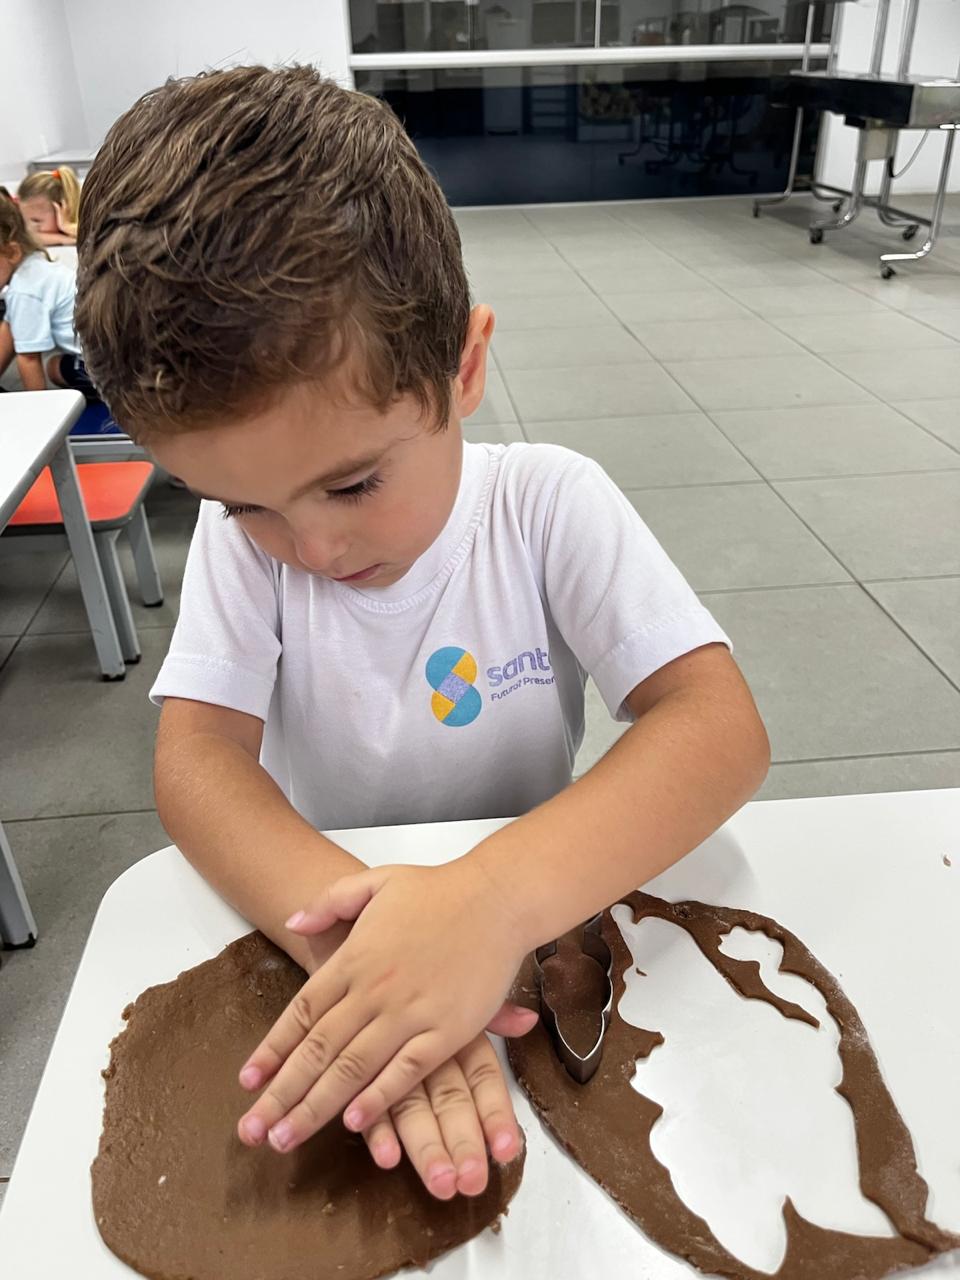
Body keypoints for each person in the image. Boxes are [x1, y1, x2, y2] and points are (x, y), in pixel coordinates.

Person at [75, 65, 770, 1203]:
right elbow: (198, 763)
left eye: (353, 483)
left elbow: (720, 727)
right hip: (332, 916)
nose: (310, 547)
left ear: (465, 366)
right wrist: (367, 959)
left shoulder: (548, 504)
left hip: (536, 916)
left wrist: (487, 903)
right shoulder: (241, 547)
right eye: (242, 504)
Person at [0, 192, 95, 396]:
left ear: (13, 252)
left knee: (54, 367)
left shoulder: (24, 290)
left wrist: (38, 408)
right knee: (12, 323)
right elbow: (9, 327)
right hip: (118, 354)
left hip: (112, 371)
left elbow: (29, 359)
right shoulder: (34, 265)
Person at [17, 165, 81, 245]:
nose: (29, 228)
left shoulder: (90, 218)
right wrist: (61, 239)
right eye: (23, 220)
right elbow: (26, 237)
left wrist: (67, 227)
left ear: (62, 210)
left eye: (36, 221)